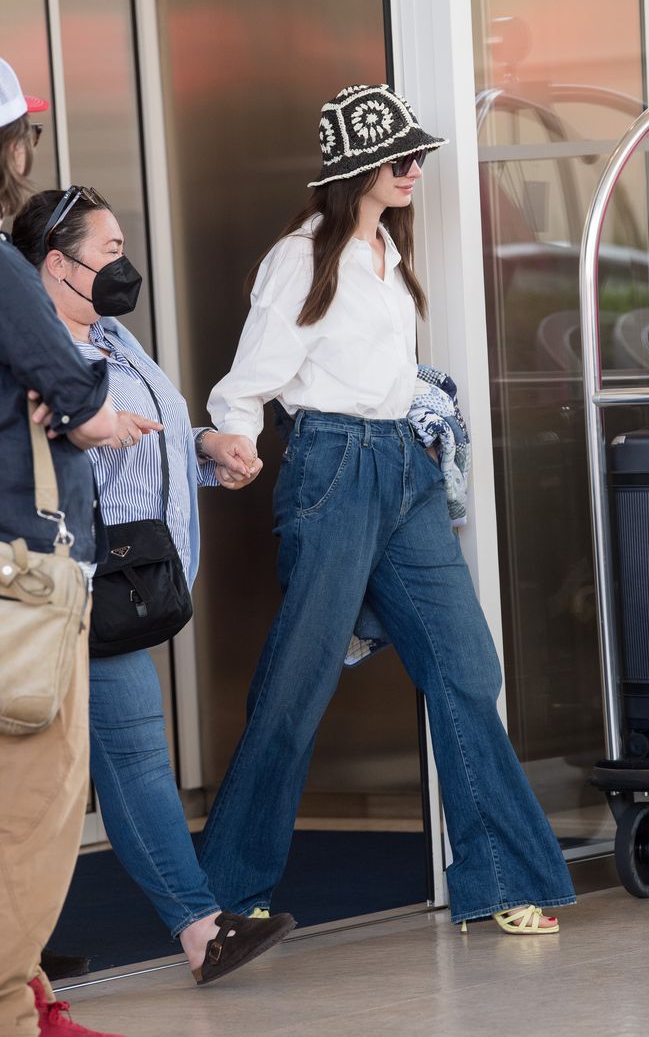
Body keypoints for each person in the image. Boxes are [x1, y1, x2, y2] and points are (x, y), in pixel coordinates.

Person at [199, 83, 577, 935]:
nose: (413, 169)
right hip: (332, 465)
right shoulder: (303, 258)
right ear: (355, 168)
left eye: (417, 155)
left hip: (402, 467)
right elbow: (249, 378)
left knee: (467, 668)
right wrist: (233, 439)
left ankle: (502, 880)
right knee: (295, 687)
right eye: (398, 157)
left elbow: (390, 371)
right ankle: (221, 896)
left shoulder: (388, 255)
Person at [12, 186, 296, 986]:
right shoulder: (34, 350)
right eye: (108, 251)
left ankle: (15, 946)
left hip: (121, 574)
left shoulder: (112, 337)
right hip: (67, 583)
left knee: (42, 769)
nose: (123, 265)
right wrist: (87, 424)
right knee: (133, 755)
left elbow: (154, 434)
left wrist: (207, 448)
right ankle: (203, 930)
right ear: (57, 265)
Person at [0, 58, 124, 1037]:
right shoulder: (3, 275)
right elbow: (72, 392)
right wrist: (71, 406)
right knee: (33, 809)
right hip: (16, 573)